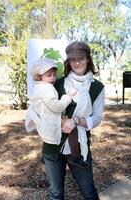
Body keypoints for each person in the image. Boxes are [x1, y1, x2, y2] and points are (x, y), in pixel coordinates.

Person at [42, 41, 105, 200]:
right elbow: (43, 110)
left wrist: (75, 121)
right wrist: (59, 121)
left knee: (89, 192)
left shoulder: (97, 87)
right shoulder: (57, 83)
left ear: (88, 60)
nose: (77, 63)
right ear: (68, 62)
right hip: (53, 145)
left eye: (81, 59)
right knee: (56, 194)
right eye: (73, 59)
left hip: (78, 146)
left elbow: (96, 119)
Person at [25, 57, 75, 145]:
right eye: (49, 75)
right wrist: (68, 97)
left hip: (44, 123)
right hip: (50, 127)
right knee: (52, 150)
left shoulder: (38, 87)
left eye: (54, 75)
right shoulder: (47, 88)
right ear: (40, 76)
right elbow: (56, 106)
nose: (53, 78)